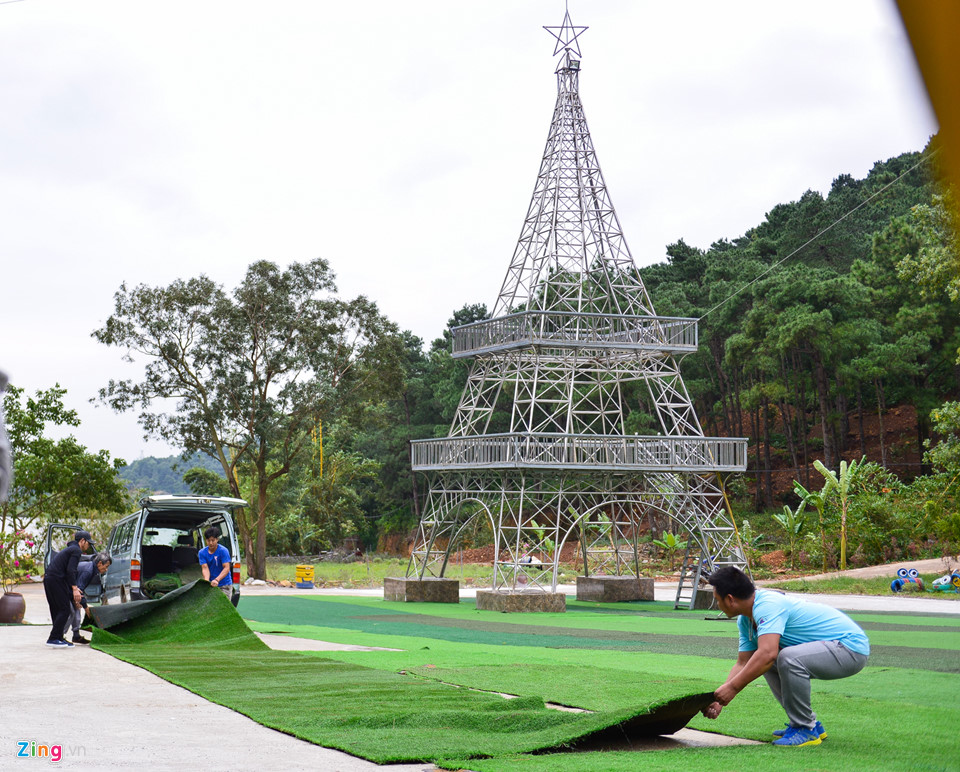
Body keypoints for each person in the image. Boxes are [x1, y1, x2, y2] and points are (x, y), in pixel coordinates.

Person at [703, 566, 870, 747]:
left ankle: (804, 728)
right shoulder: (745, 620)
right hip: (833, 649)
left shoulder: (767, 605)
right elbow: (743, 663)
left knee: (783, 657)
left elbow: (768, 654)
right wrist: (719, 700)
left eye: (717, 600)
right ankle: (809, 722)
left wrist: (733, 688)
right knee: (762, 662)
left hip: (849, 648)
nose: (717, 604)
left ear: (730, 599)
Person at [43, 530, 95, 648]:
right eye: (88, 543)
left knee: (57, 609)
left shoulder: (70, 549)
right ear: (82, 541)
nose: (88, 546)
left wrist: (72, 591)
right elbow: (71, 570)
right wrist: (75, 588)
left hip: (50, 579)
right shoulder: (76, 550)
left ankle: (59, 637)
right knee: (64, 609)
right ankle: (53, 638)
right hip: (56, 580)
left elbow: (67, 572)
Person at [67, 553, 112, 645]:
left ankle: (76, 636)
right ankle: (59, 636)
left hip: (71, 589)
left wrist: (79, 601)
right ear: (100, 563)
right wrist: (86, 608)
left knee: (76, 609)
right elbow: (79, 589)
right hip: (63, 588)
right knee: (69, 612)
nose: (106, 569)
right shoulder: (88, 570)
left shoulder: (92, 569)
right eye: (106, 566)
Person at [198, 526, 232, 599]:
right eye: (208, 540)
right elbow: (205, 568)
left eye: (213, 540)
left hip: (224, 584)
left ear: (217, 539)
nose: (210, 543)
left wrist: (217, 580)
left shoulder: (223, 551)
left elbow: (226, 568)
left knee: (223, 605)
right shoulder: (202, 553)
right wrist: (206, 582)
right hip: (211, 585)